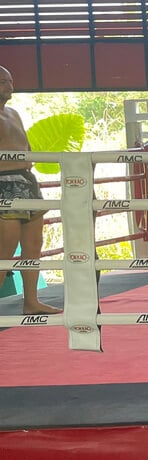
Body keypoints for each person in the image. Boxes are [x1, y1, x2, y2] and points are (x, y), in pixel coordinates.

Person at [0, 65, 61, 315]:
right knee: (4, 248)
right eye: (3, 80)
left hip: (27, 180)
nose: (9, 84)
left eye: (10, 80)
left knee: (34, 245)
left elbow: (26, 146)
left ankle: (31, 301)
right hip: (4, 183)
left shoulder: (14, 113)